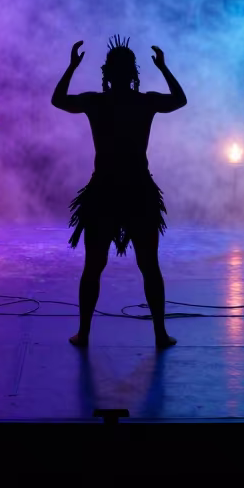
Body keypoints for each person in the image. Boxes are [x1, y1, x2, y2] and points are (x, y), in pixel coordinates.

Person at [52, 36, 185, 350]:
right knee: (148, 265)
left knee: (95, 265)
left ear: (107, 73)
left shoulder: (97, 102)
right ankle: (159, 333)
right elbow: (179, 100)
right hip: (134, 190)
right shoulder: (144, 101)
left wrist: (72, 67)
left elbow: (58, 100)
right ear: (133, 72)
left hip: (108, 190)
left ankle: (85, 332)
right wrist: (163, 68)